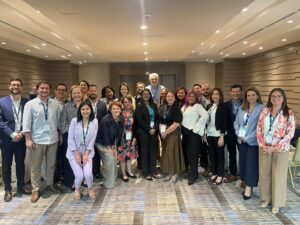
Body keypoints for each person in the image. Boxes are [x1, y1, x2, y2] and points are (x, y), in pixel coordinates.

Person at [257, 88, 295, 214]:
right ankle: (266, 198)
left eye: (279, 96)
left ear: (283, 98)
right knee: (265, 175)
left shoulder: (289, 113)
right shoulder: (265, 111)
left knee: (278, 177)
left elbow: (290, 133)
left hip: (280, 150)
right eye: (273, 96)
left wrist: (276, 147)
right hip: (265, 148)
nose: (276, 98)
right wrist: (263, 145)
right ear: (270, 98)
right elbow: (259, 129)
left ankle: (277, 203)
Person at [23, 81, 61, 203]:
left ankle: (50, 184)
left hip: (53, 139)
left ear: (50, 90)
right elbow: (26, 124)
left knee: (51, 164)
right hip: (37, 140)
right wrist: (28, 139)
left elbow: (58, 121)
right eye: (42, 88)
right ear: (37, 90)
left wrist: (60, 135)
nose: (44, 90)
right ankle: (36, 189)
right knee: (36, 166)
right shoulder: (30, 104)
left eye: (46, 88)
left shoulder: (54, 103)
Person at [0, 78, 30, 202]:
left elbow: (29, 120)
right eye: (13, 85)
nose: (15, 87)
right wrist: (12, 134)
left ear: (22, 87)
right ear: (9, 86)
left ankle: (21, 186)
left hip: (21, 138)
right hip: (7, 139)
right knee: (6, 164)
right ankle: (7, 188)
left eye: (18, 85)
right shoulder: (2, 102)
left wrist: (22, 133)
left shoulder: (27, 102)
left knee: (20, 163)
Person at [234, 87, 263, 200]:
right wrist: (238, 134)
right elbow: (236, 122)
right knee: (243, 164)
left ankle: (249, 188)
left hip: (253, 142)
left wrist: (249, 138)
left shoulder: (262, 108)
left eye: (253, 95)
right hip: (242, 140)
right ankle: (246, 183)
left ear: (257, 96)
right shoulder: (242, 108)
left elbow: (261, 127)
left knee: (251, 165)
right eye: (248, 95)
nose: (251, 97)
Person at [66, 101, 98, 200]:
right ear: (80, 110)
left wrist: (86, 154)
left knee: (88, 174)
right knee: (79, 176)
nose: (85, 111)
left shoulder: (95, 121)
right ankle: (77, 189)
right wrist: (76, 154)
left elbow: (93, 139)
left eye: (87, 109)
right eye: (83, 109)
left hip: (87, 151)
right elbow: (70, 138)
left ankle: (90, 188)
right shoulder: (74, 121)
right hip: (73, 151)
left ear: (91, 110)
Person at [181, 91, 208, 185]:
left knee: (193, 155)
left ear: (196, 98)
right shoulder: (184, 106)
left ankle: (194, 175)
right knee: (188, 154)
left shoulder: (198, 106)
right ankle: (191, 172)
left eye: (193, 96)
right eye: (189, 96)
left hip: (193, 134)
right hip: (185, 133)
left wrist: (196, 128)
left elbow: (205, 116)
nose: (191, 98)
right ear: (187, 97)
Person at [60, 85, 84, 189]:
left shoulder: (86, 105)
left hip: (84, 138)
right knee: (71, 159)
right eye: (74, 93)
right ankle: (71, 181)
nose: (76, 94)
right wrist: (71, 134)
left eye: (78, 92)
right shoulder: (66, 106)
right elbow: (63, 123)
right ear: (71, 94)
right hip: (70, 138)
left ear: (82, 94)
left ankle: (81, 179)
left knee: (82, 159)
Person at [96, 102, 124, 188]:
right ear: (110, 110)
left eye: (118, 108)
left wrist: (115, 146)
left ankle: (112, 180)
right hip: (102, 143)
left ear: (121, 109)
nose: (116, 110)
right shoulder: (105, 120)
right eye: (114, 109)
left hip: (112, 143)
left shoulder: (121, 118)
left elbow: (119, 133)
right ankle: (108, 184)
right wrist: (110, 147)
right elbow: (105, 135)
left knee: (113, 161)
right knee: (110, 160)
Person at [159, 91, 185, 182]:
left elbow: (177, 123)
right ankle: (170, 172)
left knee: (172, 152)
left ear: (174, 98)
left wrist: (166, 132)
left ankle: (175, 174)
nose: (169, 98)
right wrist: (162, 132)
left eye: (172, 96)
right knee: (166, 153)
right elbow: (160, 121)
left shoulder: (176, 108)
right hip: (164, 132)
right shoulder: (164, 108)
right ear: (166, 98)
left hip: (173, 132)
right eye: (168, 96)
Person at [135, 89, 161, 180]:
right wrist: (149, 129)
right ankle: (145, 173)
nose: (146, 95)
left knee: (153, 151)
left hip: (154, 132)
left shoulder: (153, 105)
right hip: (143, 132)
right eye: (144, 94)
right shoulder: (139, 105)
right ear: (141, 96)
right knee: (145, 152)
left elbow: (158, 118)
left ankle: (153, 171)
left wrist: (154, 128)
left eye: (148, 94)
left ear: (150, 95)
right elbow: (139, 120)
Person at [206, 88, 228, 185]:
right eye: (213, 94)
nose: (215, 96)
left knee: (220, 156)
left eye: (217, 94)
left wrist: (222, 136)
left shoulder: (224, 107)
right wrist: (205, 133)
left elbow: (225, 122)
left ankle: (220, 175)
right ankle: (214, 172)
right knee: (212, 155)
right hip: (210, 134)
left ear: (220, 96)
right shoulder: (209, 106)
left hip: (219, 135)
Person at [87, 84, 108, 180]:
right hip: (87, 133)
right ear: (88, 92)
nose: (92, 92)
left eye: (94, 90)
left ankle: (97, 172)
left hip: (99, 133)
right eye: (90, 90)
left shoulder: (103, 105)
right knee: (89, 154)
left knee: (98, 154)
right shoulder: (85, 103)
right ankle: (88, 173)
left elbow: (105, 119)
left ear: (97, 92)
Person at [224, 84, 243, 183]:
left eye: (237, 91)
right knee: (231, 154)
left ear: (241, 92)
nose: (235, 93)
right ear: (230, 92)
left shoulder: (246, 103)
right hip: (230, 134)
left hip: (242, 134)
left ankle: (244, 176)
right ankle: (233, 174)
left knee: (243, 155)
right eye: (233, 91)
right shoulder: (226, 104)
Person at [117, 96, 138, 182]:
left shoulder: (134, 113)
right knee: (122, 157)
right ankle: (124, 174)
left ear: (131, 103)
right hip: (121, 138)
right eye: (125, 102)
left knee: (129, 156)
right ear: (122, 103)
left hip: (131, 137)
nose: (127, 103)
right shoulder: (119, 113)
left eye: (128, 102)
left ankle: (129, 171)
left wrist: (135, 138)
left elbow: (136, 127)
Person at [53, 83, 68, 183]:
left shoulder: (68, 104)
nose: (61, 92)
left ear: (66, 92)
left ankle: (64, 175)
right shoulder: (50, 103)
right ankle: (56, 177)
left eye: (63, 90)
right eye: (59, 90)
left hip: (66, 134)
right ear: (55, 91)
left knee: (64, 155)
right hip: (54, 133)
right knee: (55, 157)